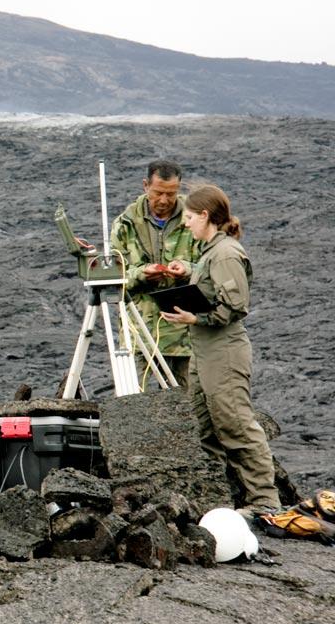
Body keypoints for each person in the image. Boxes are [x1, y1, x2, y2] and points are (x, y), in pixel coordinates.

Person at [161, 184, 281, 518]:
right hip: (204, 351)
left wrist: (193, 317)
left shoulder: (225, 253)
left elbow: (235, 307)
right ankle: (218, 500)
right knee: (204, 426)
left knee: (235, 423)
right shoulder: (210, 251)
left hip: (224, 352)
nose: (185, 224)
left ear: (204, 215)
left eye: (188, 217)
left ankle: (265, 502)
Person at [110, 160, 198, 389]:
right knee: (133, 398)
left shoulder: (195, 219)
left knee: (187, 405)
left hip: (185, 334)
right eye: (158, 193)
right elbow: (113, 278)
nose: (164, 200)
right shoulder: (124, 224)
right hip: (138, 332)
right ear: (145, 186)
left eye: (171, 194)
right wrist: (141, 274)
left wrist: (187, 269)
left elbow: (212, 267)